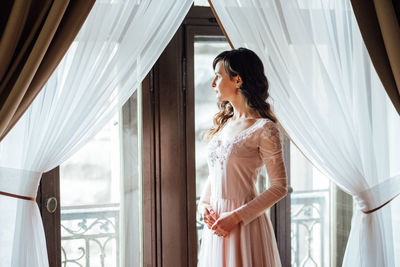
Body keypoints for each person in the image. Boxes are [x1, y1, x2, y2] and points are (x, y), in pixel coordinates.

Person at [197, 48, 288, 267]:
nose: (213, 83)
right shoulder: (225, 124)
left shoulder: (264, 128)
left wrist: (235, 217)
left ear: (237, 80)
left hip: (244, 224)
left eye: (218, 76)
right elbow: (216, 173)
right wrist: (204, 205)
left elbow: (279, 187)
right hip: (216, 224)